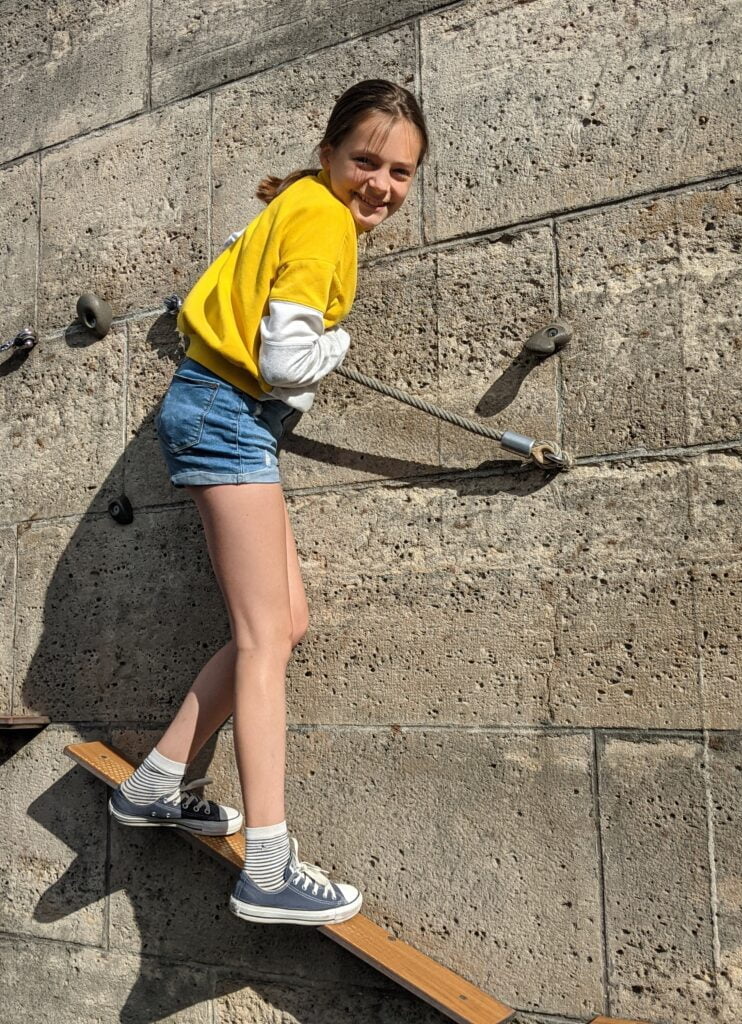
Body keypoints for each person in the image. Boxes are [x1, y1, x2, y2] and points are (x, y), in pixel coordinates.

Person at [108, 80, 429, 926]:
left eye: (400, 172)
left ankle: (156, 782)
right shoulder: (322, 219)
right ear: (329, 154)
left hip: (221, 413)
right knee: (263, 639)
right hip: (230, 413)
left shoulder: (289, 207)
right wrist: (340, 340)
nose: (381, 185)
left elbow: (219, 279)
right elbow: (287, 360)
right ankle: (271, 865)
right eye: (366, 161)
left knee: (284, 623)